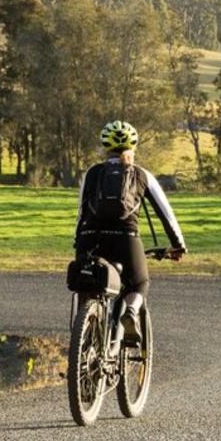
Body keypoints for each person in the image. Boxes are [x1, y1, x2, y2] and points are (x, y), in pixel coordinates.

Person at [74, 120, 187, 344]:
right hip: (125, 238)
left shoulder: (92, 173)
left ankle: (82, 340)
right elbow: (165, 213)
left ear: (105, 148)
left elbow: (81, 212)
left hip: (91, 238)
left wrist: (79, 243)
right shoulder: (142, 174)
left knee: (87, 282)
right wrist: (178, 244)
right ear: (133, 148)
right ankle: (131, 313)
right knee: (139, 283)